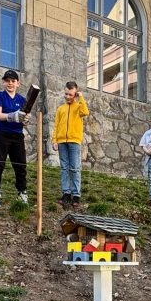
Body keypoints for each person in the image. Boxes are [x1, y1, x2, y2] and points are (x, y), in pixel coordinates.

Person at [0, 68, 29, 208]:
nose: (10, 83)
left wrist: (25, 120)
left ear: (18, 83)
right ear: (3, 82)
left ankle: (22, 192)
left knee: (20, 166)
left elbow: (24, 119)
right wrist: (13, 116)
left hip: (17, 136)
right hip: (1, 134)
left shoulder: (22, 100)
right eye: (7, 81)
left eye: (13, 81)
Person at [51, 81, 90, 211]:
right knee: (64, 168)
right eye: (66, 94)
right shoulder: (60, 109)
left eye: (71, 95)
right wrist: (54, 140)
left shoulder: (79, 107)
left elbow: (85, 112)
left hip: (74, 141)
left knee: (74, 168)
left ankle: (76, 195)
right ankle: (66, 194)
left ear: (75, 94)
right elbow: (56, 126)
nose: (68, 97)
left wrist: (81, 98)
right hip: (61, 142)